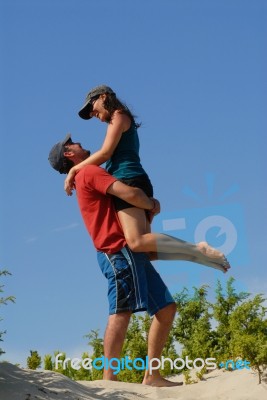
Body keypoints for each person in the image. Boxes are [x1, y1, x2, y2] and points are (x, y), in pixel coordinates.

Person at [49, 135, 230, 386]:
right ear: (69, 154)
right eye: (74, 143)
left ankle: (152, 375)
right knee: (121, 312)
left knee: (166, 309)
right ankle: (108, 379)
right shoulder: (89, 172)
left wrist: (146, 212)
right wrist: (151, 202)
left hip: (128, 252)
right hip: (117, 252)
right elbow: (128, 193)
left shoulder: (84, 174)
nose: (79, 142)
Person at [64, 85, 230, 267]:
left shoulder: (118, 115)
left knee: (136, 242)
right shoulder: (119, 117)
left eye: (92, 106)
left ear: (103, 97)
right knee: (148, 251)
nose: (92, 113)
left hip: (128, 178)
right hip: (135, 179)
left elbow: (105, 153)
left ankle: (198, 249)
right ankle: (199, 256)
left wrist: (74, 170)